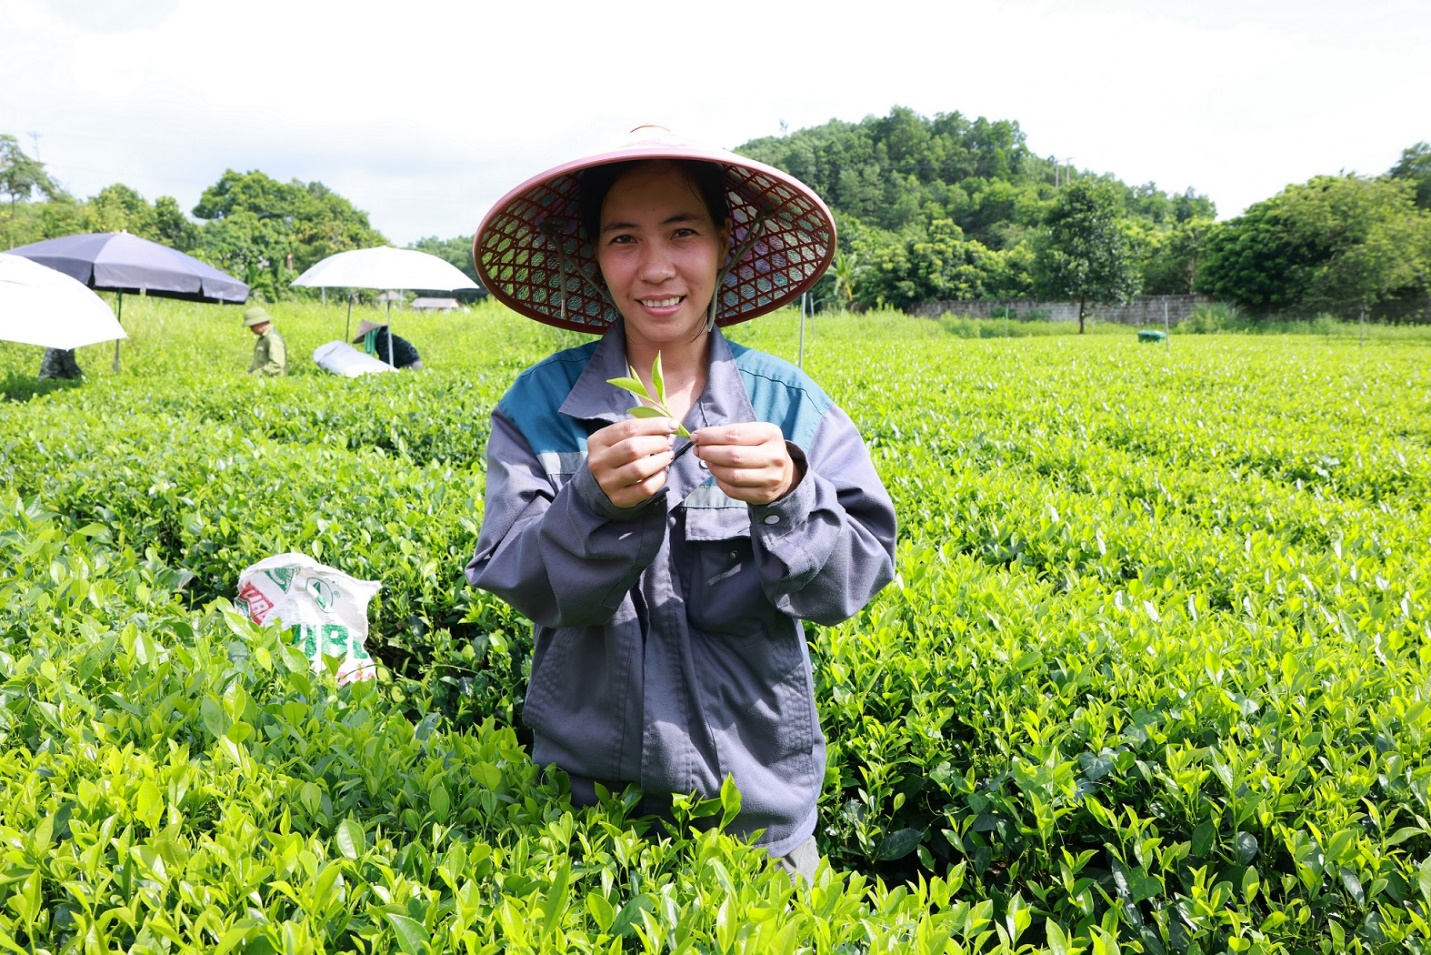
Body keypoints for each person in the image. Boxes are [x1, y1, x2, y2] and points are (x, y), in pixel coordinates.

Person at [464, 126, 897, 884]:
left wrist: (790, 494)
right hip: (588, 816)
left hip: (757, 817)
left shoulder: (791, 408)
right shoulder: (539, 409)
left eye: (683, 232)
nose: (656, 266)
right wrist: (590, 504)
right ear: (596, 256)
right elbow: (517, 577)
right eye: (623, 238)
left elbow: (854, 579)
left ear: (724, 244)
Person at [353, 319, 423, 369]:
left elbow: (386, 358)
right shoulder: (381, 337)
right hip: (409, 364)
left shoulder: (383, 338)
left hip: (412, 365)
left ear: (370, 334)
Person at [244, 306, 287, 376]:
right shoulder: (264, 337)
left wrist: (254, 375)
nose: (251, 330)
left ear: (259, 323)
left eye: (252, 327)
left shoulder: (272, 338)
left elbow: (277, 364)